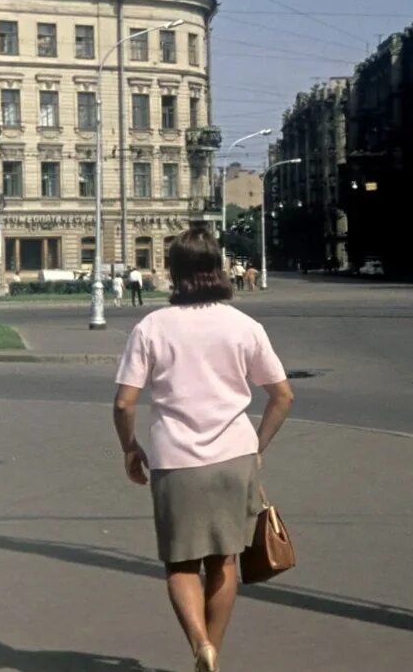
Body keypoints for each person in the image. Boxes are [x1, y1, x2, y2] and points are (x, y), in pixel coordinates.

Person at [113, 228, 294, 672]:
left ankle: (199, 645)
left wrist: (130, 449)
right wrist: (257, 446)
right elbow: (282, 395)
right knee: (223, 562)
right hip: (234, 458)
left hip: (176, 462)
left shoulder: (152, 327)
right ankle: (214, 648)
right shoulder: (243, 326)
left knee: (180, 564)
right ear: (216, 268)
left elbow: (124, 402)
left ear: (174, 273)